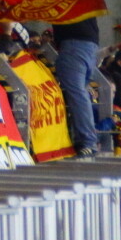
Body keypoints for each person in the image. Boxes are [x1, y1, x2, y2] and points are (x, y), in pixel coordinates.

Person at [52, 18, 101, 157]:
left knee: (77, 94)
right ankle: (84, 140)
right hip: (89, 45)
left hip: (73, 44)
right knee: (80, 94)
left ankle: (88, 141)